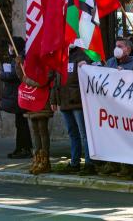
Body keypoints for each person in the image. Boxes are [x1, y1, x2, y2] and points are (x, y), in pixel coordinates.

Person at [51, 45, 95, 175]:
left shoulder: (82, 55)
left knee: (84, 134)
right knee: (72, 134)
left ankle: (89, 163)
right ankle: (74, 163)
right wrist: (53, 99)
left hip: (77, 102)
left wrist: (86, 65)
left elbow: (93, 68)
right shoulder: (61, 57)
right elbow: (55, 79)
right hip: (64, 102)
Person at [0, 37, 32, 159]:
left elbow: (15, 74)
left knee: (22, 123)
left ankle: (25, 148)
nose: (10, 48)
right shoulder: (15, 58)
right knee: (20, 123)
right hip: (15, 95)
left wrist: (2, 74)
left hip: (20, 94)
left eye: (11, 46)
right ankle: (21, 147)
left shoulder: (21, 58)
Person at [24, 71, 54, 175]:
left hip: (43, 100)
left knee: (42, 130)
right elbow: (22, 75)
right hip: (33, 99)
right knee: (35, 130)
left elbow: (43, 81)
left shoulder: (47, 63)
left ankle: (45, 162)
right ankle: (37, 159)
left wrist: (27, 81)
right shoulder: (33, 64)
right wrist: (18, 63)